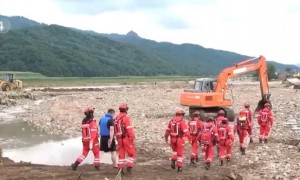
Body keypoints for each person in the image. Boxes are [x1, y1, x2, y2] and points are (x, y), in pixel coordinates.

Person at [114, 104, 135, 174]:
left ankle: (121, 169)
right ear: (126, 110)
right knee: (131, 153)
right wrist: (132, 139)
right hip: (126, 138)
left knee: (121, 154)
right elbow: (130, 130)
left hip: (119, 139)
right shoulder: (126, 118)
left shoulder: (116, 118)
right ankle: (129, 167)